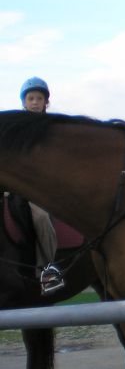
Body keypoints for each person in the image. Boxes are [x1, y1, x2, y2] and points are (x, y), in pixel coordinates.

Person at [15, 78, 60, 293]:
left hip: (37, 188)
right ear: (24, 102)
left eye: (39, 98)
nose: (34, 102)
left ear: (45, 103)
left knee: (41, 217)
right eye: (30, 98)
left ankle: (47, 270)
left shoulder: (50, 128)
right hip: (13, 185)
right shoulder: (15, 127)